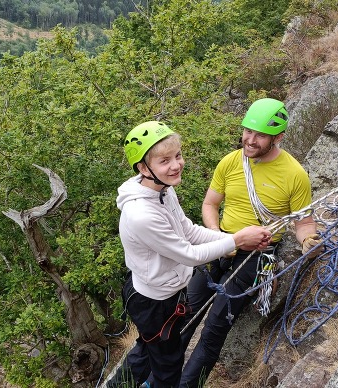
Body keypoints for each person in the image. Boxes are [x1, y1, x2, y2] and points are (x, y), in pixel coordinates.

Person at [107, 121, 271, 388]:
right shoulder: (141, 214)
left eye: (178, 156)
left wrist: (238, 243)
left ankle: (119, 385)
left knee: (151, 350)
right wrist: (237, 239)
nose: (176, 165)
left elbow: (189, 231)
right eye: (164, 161)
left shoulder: (162, 191)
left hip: (162, 293)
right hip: (155, 302)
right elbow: (189, 254)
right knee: (169, 368)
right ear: (143, 168)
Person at [178, 98, 324, 387]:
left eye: (259, 135)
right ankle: (159, 377)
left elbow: (303, 223)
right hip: (222, 243)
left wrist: (309, 240)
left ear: (278, 137)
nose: (250, 140)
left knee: (213, 329)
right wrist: (218, 235)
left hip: (255, 256)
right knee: (184, 316)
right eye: (247, 131)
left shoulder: (295, 175)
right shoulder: (231, 162)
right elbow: (210, 204)